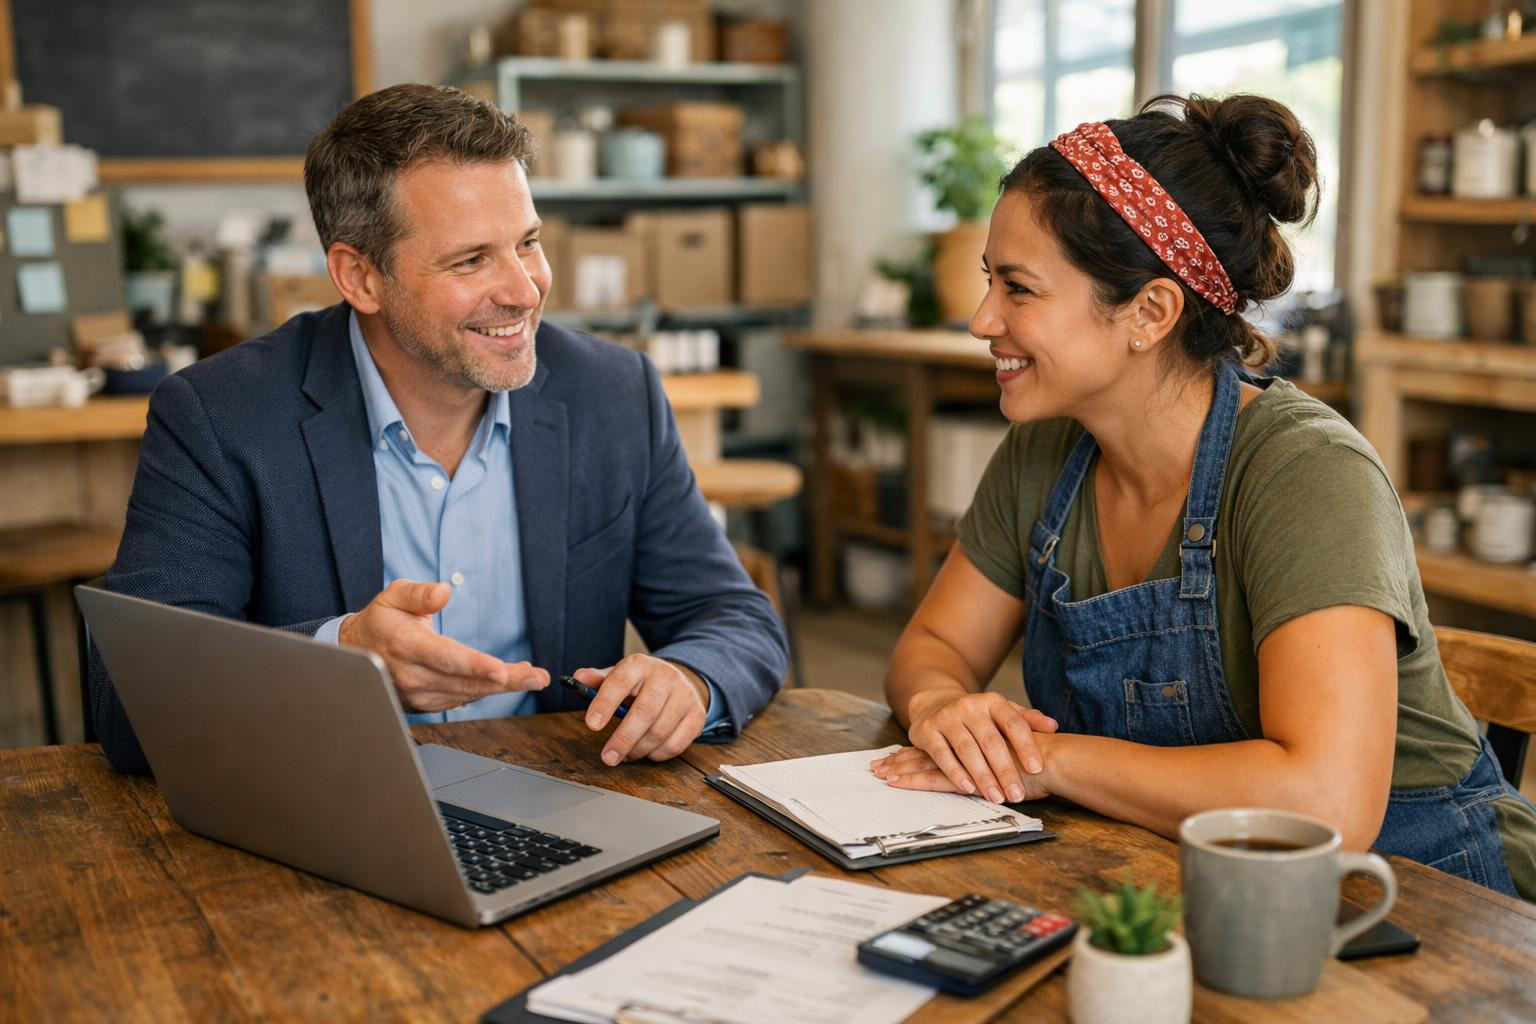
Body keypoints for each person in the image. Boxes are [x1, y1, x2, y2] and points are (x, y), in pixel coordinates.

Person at [872, 94, 1536, 900]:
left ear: (1150, 312)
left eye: (1019, 289)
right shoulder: (1044, 451)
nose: (982, 320)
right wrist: (945, 707)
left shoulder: (1305, 473)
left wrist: (1041, 759)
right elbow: (934, 643)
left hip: (1432, 901)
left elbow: (1327, 803)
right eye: (990, 282)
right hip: (1186, 883)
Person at [90, 84, 787, 775]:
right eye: (471, 259)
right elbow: (132, 699)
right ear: (359, 278)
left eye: (529, 242)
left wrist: (690, 680)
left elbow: (732, 617)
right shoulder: (218, 415)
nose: (524, 289)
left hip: (565, 797)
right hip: (332, 806)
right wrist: (343, 654)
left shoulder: (614, 393)